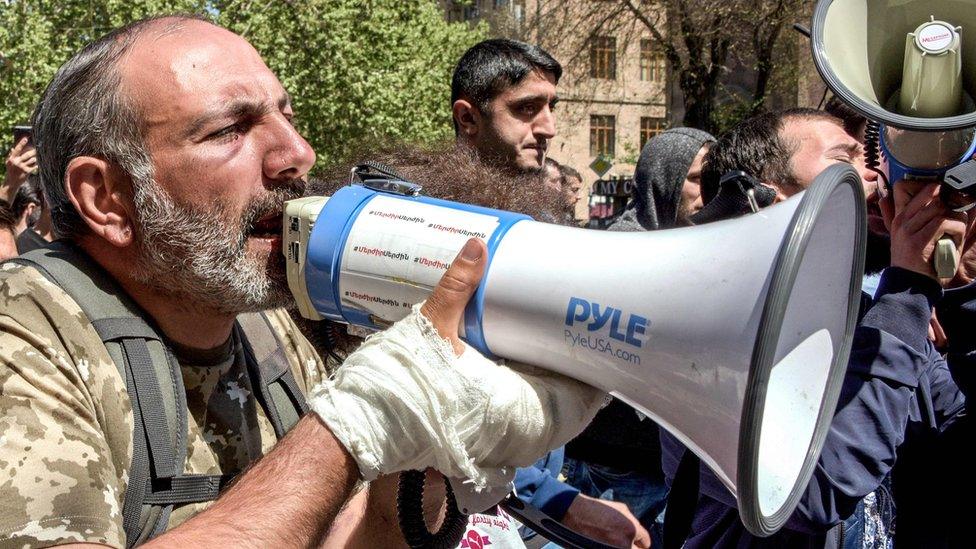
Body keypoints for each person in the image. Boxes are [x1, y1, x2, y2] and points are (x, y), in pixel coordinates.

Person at [0, 16, 604, 548]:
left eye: (286, 118)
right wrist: (353, 425)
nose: (298, 154)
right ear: (107, 197)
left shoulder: (269, 327)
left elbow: (359, 536)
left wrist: (433, 448)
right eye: (229, 130)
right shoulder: (22, 331)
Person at [664, 108, 968, 547]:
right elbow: (814, 492)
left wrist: (964, 286)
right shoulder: (701, 341)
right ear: (769, 198)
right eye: (846, 159)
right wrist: (906, 292)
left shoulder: (864, 315)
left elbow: (956, 421)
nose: (876, 177)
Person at [452, 38, 651, 549]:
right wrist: (559, 502)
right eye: (525, 109)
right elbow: (449, 420)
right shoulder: (440, 228)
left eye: (551, 106)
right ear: (468, 119)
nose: (548, 127)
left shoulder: (534, 220)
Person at [559, 127, 714, 548]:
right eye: (699, 178)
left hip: (664, 472)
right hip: (603, 472)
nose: (710, 191)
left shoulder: (711, 254)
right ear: (664, 177)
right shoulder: (618, 254)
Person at [452, 38, 559, 174]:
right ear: (468, 118)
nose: (549, 130)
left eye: (551, 108)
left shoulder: (544, 193)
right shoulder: (424, 194)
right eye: (528, 107)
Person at [609, 127, 714, 232]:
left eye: (714, 179)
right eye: (697, 179)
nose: (711, 190)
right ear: (661, 183)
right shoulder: (624, 244)